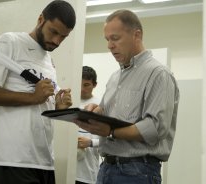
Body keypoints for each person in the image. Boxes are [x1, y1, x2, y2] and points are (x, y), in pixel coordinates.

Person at [0, 1, 76, 184]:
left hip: (44, 161)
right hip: (13, 160)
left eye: (63, 37)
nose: (56, 41)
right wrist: (33, 97)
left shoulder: (49, 60)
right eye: (54, 32)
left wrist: (58, 105)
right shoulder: (11, 42)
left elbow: (42, 104)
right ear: (40, 19)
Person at [75, 9, 180, 184]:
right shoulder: (115, 77)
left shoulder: (158, 74)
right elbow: (107, 111)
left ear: (136, 35)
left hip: (137, 172)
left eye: (115, 38)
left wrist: (110, 131)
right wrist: (96, 112)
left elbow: (155, 128)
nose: (109, 45)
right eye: (107, 40)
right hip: (106, 168)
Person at [76, 66, 100, 184]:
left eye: (86, 85)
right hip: (65, 169)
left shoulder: (101, 105)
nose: (81, 89)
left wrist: (90, 143)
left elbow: (112, 139)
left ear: (94, 85)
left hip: (88, 174)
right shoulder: (68, 102)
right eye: (79, 84)